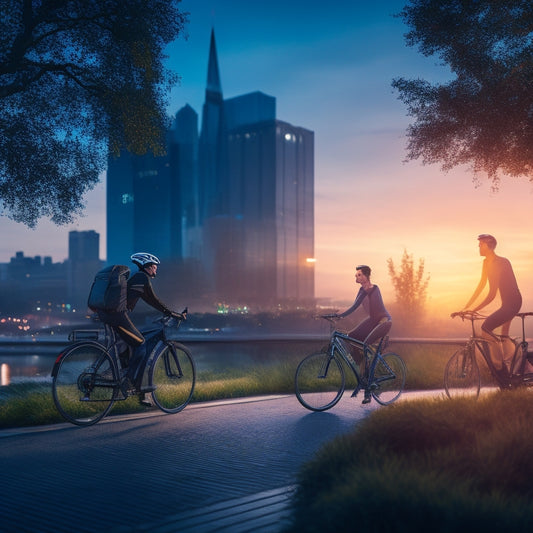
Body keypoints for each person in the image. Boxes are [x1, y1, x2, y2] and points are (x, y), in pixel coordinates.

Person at [96, 252, 183, 396]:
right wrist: (172, 313)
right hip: (117, 315)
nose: (156, 270)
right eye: (154, 267)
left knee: (126, 343)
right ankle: (130, 382)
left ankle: (117, 375)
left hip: (107, 313)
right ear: (147, 267)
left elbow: (149, 300)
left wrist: (168, 312)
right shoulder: (142, 278)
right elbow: (154, 300)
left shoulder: (136, 279)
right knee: (141, 344)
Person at [454, 234, 522, 380]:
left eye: (480, 244)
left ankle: (500, 368)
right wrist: (466, 306)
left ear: (488, 245)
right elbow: (481, 285)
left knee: (486, 328)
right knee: (503, 336)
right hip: (506, 303)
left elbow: (491, 294)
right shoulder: (486, 263)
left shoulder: (501, 263)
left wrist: (474, 309)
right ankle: (519, 364)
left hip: (514, 302)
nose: (478, 247)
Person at [333, 265, 392, 403]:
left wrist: (343, 313)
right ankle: (363, 367)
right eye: (356, 275)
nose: (356, 277)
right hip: (372, 321)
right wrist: (339, 315)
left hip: (383, 321)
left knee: (365, 344)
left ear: (366, 276)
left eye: (359, 275)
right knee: (351, 337)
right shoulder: (361, 290)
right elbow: (354, 306)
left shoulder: (374, 289)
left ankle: (368, 388)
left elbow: (377, 312)